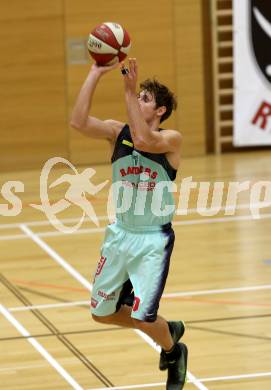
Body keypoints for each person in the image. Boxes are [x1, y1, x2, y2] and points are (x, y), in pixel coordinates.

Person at [70, 58, 188, 389]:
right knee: (101, 313)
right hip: (121, 233)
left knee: (142, 317)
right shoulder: (116, 132)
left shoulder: (171, 140)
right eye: (139, 96)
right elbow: (78, 122)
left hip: (153, 240)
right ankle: (166, 328)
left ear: (161, 111)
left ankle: (173, 351)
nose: (138, 100)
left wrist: (127, 89)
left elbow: (143, 140)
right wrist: (95, 74)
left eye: (146, 99)